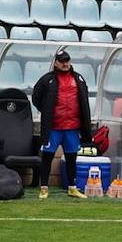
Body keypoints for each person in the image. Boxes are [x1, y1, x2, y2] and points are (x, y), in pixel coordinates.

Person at [31, 49, 93, 200]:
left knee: (72, 158)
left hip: (72, 127)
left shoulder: (78, 78)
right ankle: (44, 188)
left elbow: (84, 100)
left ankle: (72, 187)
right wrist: (46, 111)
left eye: (67, 61)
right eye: (62, 61)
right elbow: (36, 97)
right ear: (56, 63)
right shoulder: (47, 79)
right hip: (53, 127)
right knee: (47, 157)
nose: (65, 64)